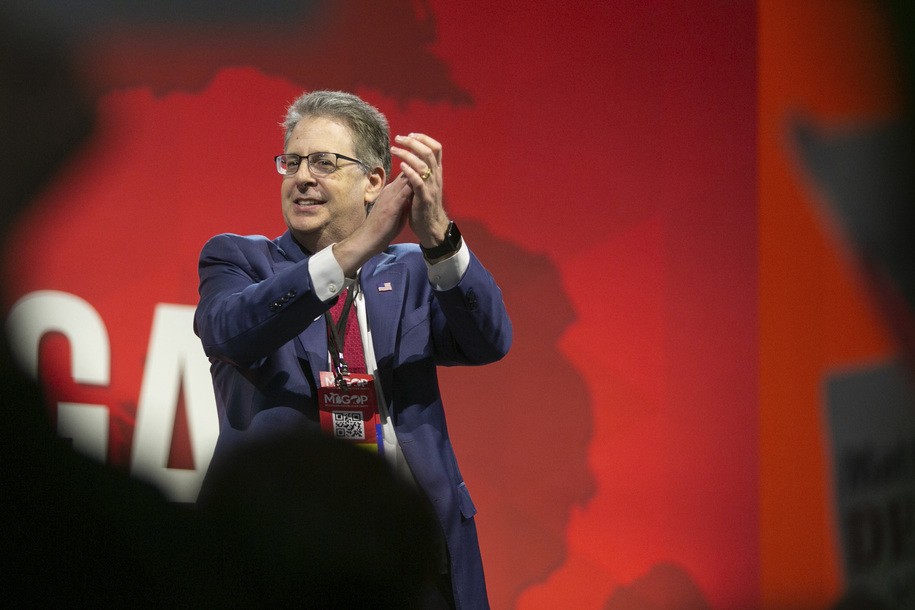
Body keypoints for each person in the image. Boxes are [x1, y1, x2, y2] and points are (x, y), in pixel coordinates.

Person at [193, 90, 512, 609]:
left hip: (412, 557)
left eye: (324, 162)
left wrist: (438, 237)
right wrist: (354, 249)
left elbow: (489, 339)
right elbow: (230, 330)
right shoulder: (238, 260)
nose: (301, 177)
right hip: (281, 559)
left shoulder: (411, 272)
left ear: (374, 182)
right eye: (292, 162)